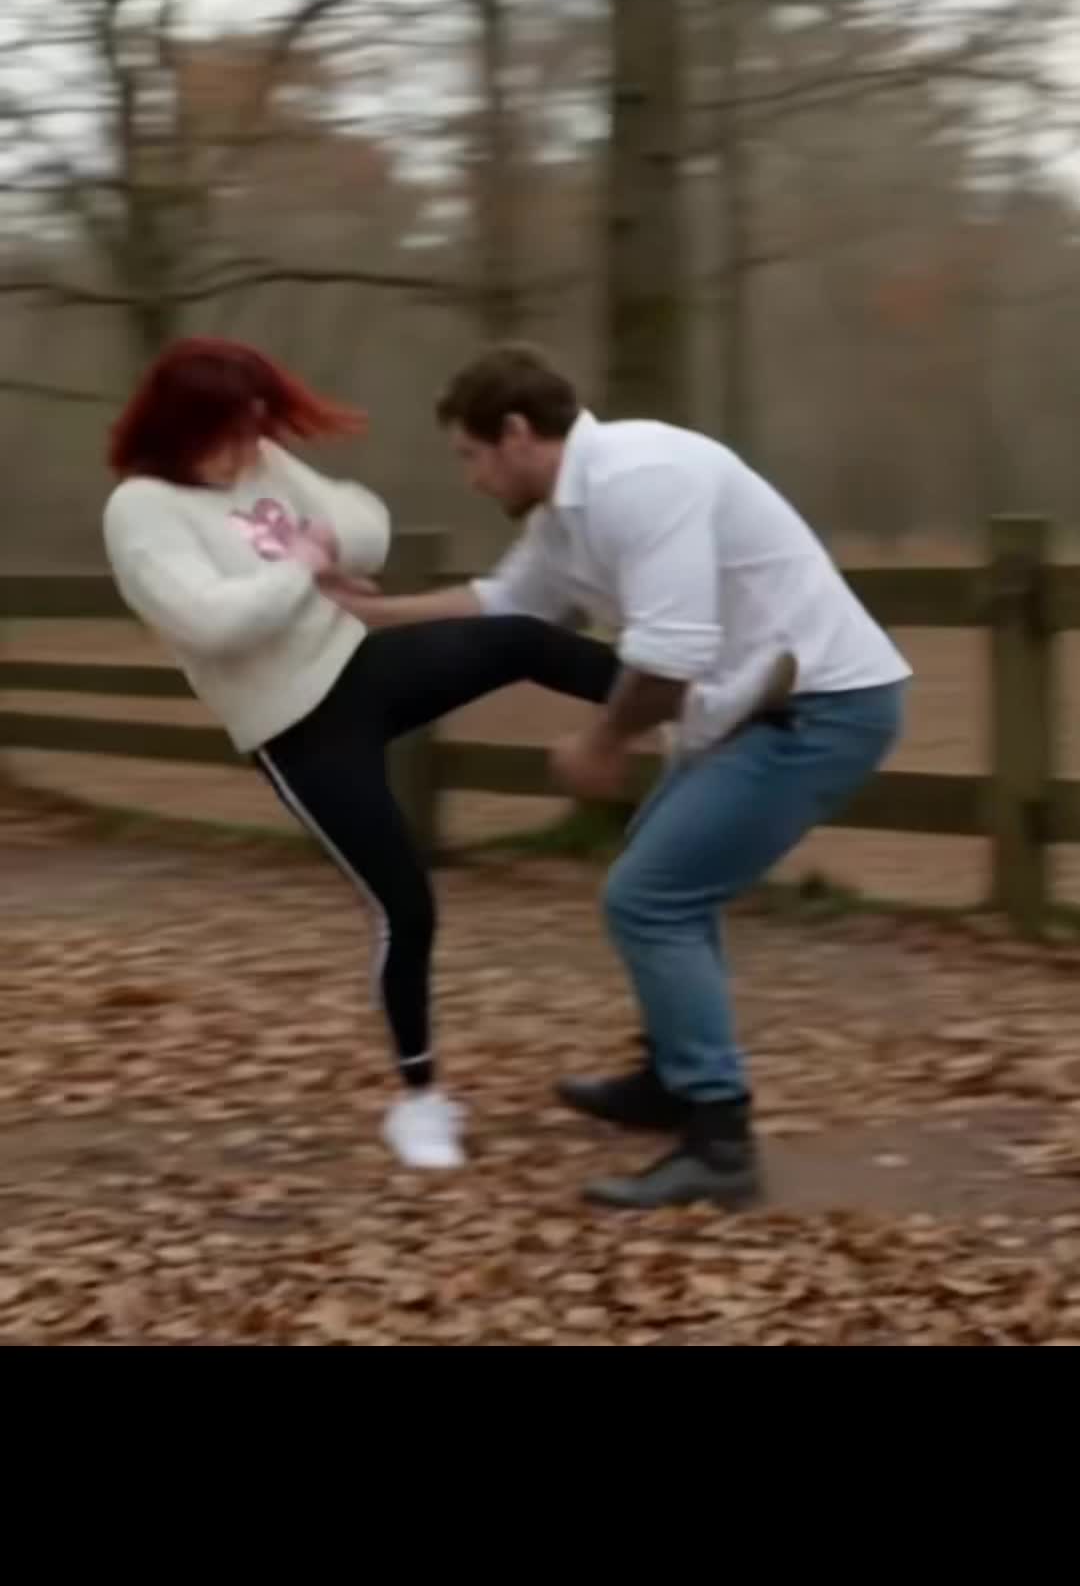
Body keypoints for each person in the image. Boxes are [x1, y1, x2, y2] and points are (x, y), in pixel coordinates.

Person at [321, 346, 913, 1210]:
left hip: (822, 706)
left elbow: (670, 655)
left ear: (516, 433)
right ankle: (673, 1078)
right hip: (753, 708)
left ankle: (719, 1143)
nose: (472, 479)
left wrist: (603, 742)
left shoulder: (640, 478)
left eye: (471, 456)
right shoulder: (567, 514)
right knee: (661, 879)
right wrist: (374, 613)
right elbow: (505, 600)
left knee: (651, 898)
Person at [101, 337, 622, 1172]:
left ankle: (698, 702)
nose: (248, 449)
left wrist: (320, 546)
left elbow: (367, 525)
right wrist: (303, 563)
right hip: (296, 725)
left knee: (521, 637)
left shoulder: (264, 460)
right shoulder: (141, 512)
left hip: (359, 662)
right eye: (229, 432)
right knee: (405, 907)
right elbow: (212, 624)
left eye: (256, 427)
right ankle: (419, 1101)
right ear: (179, 426)